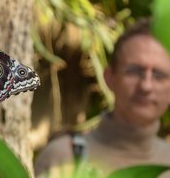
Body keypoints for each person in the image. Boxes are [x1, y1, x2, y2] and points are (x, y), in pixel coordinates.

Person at [34, 18, 170, 178]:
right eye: (134, 71)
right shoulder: (62, 159)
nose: (146, 86)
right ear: (109, 77)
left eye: (159, 75)